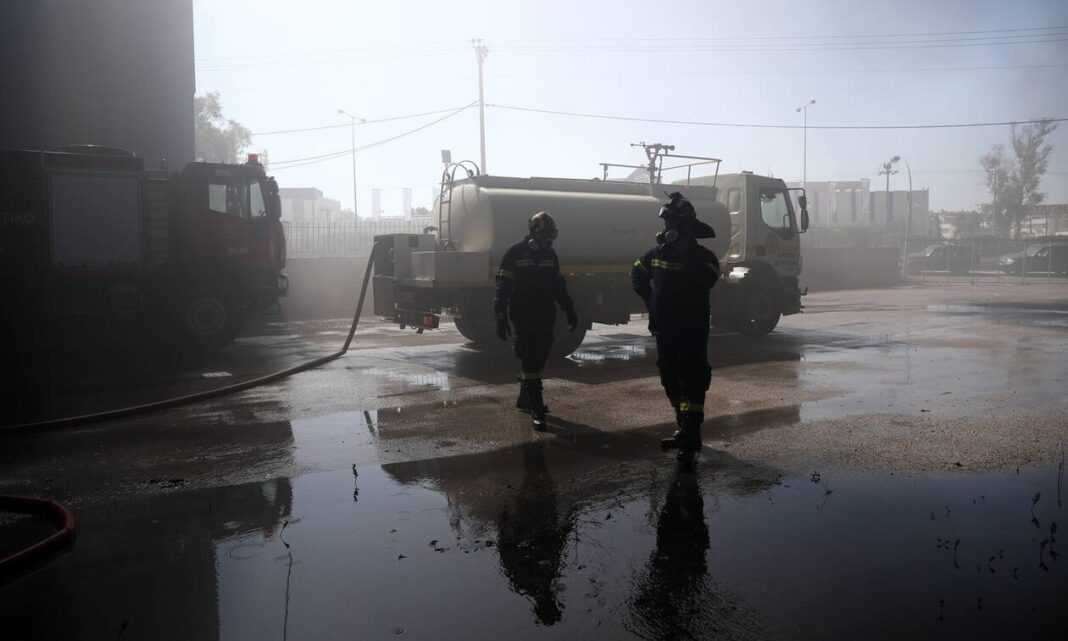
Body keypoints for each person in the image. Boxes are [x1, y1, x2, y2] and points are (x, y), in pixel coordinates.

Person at [631, 193, 720, 451]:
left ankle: (692, 433)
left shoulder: (704, 258)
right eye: (666, 223)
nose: (666, 228)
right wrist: (651, 302)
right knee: (669, 377)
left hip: (691, 329)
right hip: (664, 329)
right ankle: (684, 427)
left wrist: (684, 255)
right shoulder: (658, 254)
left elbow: (706, 280)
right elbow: (636, 272)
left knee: (693, 378)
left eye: (671, 223)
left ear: (685, 227)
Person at [494, 211, 579, 430]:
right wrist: (500, 315)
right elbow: (503, 287)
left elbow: (558, 286)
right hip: (523, 313)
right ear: (533, 233)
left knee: (541, 355)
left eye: (551, 236)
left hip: (545, 313)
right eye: (545, 235)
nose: (548, 240)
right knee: (529, 356)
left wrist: (569, 309)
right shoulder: (515, 253)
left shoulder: (550, 255)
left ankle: (525, 397)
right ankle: (537, 407)